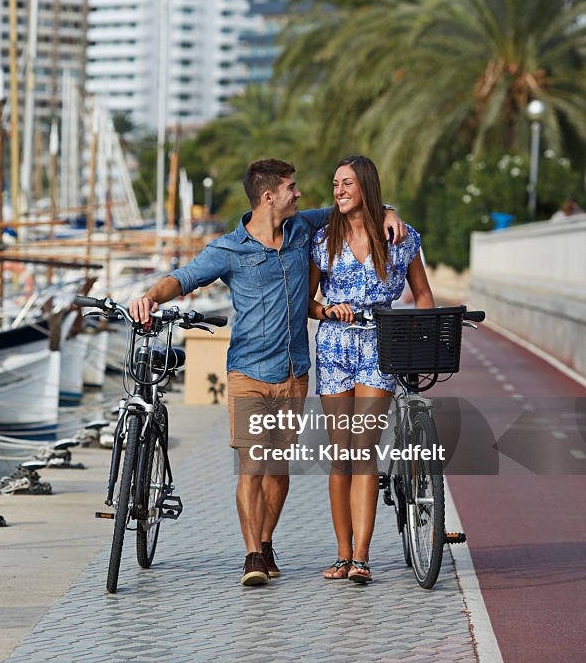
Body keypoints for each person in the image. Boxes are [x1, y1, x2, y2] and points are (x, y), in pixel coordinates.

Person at [129, 158, 406, 586]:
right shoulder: (229, 249)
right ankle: (252, 555)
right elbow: (182, 279)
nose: (299, 194)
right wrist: (149, 297)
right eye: (292, 188)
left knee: (278, 470)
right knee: (252, 465)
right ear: (268, 196)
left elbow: (352, 208)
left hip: (294, 373)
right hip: (247, 372)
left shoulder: (301, 231)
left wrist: (389, 211)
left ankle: (267, 540)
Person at [306, 154, 434, 584]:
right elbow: (306, 301)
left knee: (363, 450)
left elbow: (422, 295)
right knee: (340, 456)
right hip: (335, 347)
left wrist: (420, 337)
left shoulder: (399, 236)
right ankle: (341, 555)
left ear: (366, 187)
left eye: (346, 184)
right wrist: (325, 309)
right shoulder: (324, 240)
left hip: (381, 346)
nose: (338, 191)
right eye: (335, 184)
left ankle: (361, 557)